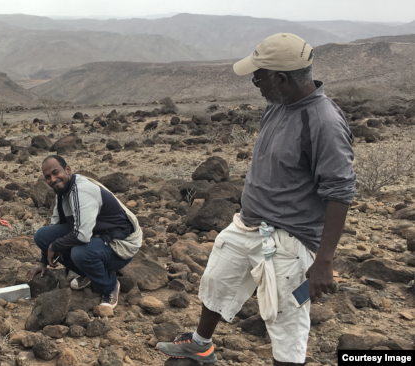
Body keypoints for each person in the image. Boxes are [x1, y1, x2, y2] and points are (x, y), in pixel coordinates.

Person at [156, 33, 356, 365]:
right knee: (216, 282)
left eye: (259, 75)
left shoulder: (323, 123)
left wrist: (324, 262)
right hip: (250, 224)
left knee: (285, 318)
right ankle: (200, 344)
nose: (254, 82)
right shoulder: (277, 106)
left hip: (289, 241)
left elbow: (340, 192)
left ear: (281, 78)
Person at [26, 155, 142, 308]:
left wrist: (55, 247)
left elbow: (82, 235)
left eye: (55, 173)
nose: (53, 179)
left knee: (80, 253)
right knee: (42, 235)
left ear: (67, 170)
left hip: (121, 243)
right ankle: (90, 273)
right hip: (98, 235)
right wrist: (43, 262)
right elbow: (54, 228)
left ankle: (110, 285)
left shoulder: (81, 191)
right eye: (48, 177)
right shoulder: (62, 192)